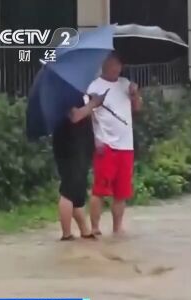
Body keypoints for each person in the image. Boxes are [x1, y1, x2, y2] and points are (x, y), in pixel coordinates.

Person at [87, 52, 143, 236]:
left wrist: (135, 95)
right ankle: (94, 227)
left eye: (118, 65)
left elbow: (138, 109)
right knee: (100, 190)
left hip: (126, 146)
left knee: (122, 192)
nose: (116, 68)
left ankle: (117, 228)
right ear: (104, 65)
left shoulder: (125, 84)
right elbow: (91, 115)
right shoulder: (94, 86)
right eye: (112, 64)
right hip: (106, 145)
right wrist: (97, 138)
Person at [53, 93, 106, 241]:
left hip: (81, 146)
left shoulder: (81, 93)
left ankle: (84, 230)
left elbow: (87, 117)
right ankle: (66, 233)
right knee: (69, 189)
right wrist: (93, 104)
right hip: (69, 146)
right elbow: (75, 116)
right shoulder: (66, 93)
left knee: (78, 188)